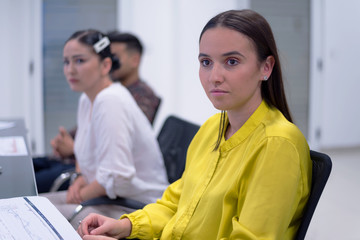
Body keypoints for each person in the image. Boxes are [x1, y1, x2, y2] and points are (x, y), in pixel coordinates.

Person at [77, 9, 312, 240]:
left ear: (266, 67)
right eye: (206, 62)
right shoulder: (213, 128)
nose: (214, 76)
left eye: (231, 61)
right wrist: (126, 225)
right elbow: (175, 204)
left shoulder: (277, 145)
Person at [41, 29, 169, 228]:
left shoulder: (111, 101)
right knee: (33, 206)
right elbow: (86, 154)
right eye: (66, 62)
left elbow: (118, 177)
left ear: (105, 65)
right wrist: (81, 176)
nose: (70, 70)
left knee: (39, 219)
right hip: (107, 197)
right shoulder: (87, 99)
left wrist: (80, 195)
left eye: (80, 61)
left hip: (136, 207)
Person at [107, 31, 161, 124]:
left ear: (135, 60)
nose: (110, 63)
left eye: (115, 58)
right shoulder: (117, 91)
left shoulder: (144, 96)